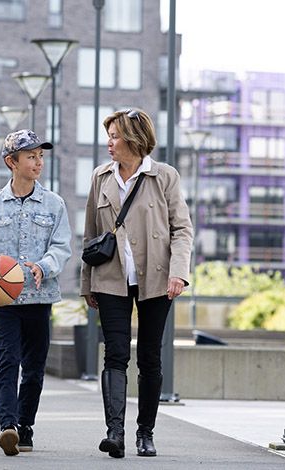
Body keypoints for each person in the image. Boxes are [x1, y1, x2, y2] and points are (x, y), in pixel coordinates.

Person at [80, 108, 194, 458]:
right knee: (114, 354)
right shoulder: (101, 176)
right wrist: (87, 282)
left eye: (115, 136)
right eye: (109, 136)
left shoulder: (164, 176)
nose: (109, 143)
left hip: (158, 279)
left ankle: (146, 432)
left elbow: (182, 229)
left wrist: (179, 271)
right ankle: (115, 432)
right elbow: (90, 234)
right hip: (110, 279)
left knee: (149, 356)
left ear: (133, 139)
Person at [0, 129, 72, 457]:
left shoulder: (54, 204)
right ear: (12, 162)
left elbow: (62, 246)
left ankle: (25, 426)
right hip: (4, 301)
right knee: (7, 360)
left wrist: (45, 265)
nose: (38, 162)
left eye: (40, 156)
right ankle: (7, 426)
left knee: (35, 368)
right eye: (30, 156)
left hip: (39, 299)